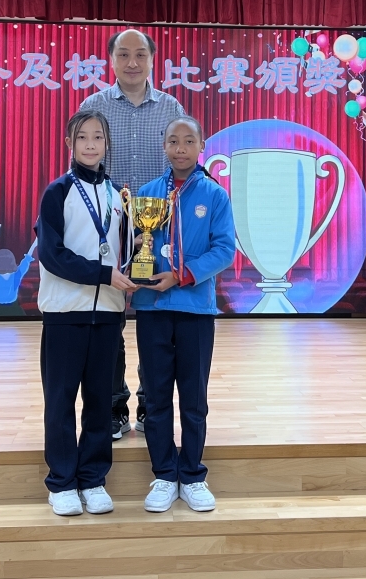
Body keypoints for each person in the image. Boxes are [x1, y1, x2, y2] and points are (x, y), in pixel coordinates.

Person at [80, 28, 186, 440]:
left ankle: (149, 404)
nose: (132, 62)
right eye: (123, 54)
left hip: (160, 230)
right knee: (109, 321)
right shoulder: (94, 106)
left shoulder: (171, 107)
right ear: (111, 60)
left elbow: (183, 164)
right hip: (107, 228)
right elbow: (82, 166)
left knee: (156, 322)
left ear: (152, 59)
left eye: (140, 54)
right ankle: (114, 408)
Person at [131, 116, 235, 513]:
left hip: (195, 310)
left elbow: (224, 250)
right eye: (173, 140)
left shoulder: (215, 195)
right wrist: (135, 255)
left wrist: (181, 275)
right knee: (156, 397)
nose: (180, 148)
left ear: (201, 145)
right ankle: (163, 474)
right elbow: (134, 245)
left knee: (193, 399)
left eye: (188, 141)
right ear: (164, 146)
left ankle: (191, 475)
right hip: (152, 309)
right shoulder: (146, 195)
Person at [36, 110, 137, 517]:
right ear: (69, 144)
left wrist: (136, 260)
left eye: (98, 137)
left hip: (108, 314)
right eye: (82, 137)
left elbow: (125, 249)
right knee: (60, 401)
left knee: (99, 401)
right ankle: (61, 483)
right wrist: (103, 274)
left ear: (107, 143)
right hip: (65, 313)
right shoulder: (57, 192)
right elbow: (51, 254)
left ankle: (93, 479)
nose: (91, 144)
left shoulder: (118, 196)